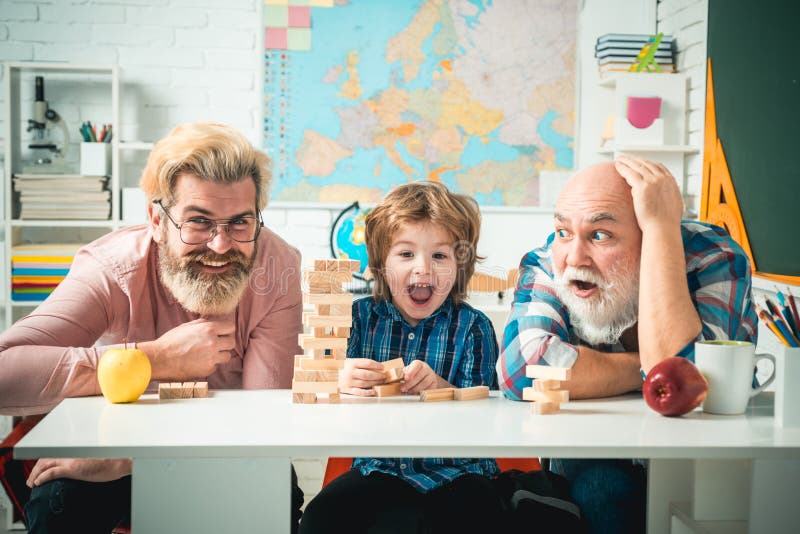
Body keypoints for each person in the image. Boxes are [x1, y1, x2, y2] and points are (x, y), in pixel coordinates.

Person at [0, 122, 305, 533]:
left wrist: (134, 457)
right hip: (116, 447)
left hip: (219, 450)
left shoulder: (278, 267)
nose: (220, 245)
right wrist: (153, 359)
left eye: (239, 223)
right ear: (157, 221)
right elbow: (6, 374)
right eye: (199, 222)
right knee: (59, 502)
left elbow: (261, 421)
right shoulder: (112, 268)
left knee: (275, 493)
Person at [497, 156, 758, 534]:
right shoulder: (545, 261)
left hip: (700, 469)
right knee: (601, 486)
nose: (573, 257)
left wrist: (660, 230)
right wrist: (649, 374)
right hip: (590, 463)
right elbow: (524, 372)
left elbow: (693, 387)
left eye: (600, 235)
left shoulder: (713, 257)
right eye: (563, 231)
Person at [299, 181, 502, 534]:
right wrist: (339, 379)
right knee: (321, 519)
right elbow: (316, 396)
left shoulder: (474, 327)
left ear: (459, 266)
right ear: (381, 265)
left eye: (439, 256)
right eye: (406, 254)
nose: (423, 269)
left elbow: (487, 420)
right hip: (379, 469)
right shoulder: (359, 320)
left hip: (459, 473)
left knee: (482, 518)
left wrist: (442, 389)